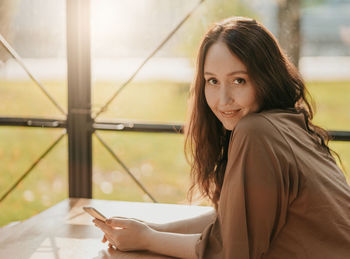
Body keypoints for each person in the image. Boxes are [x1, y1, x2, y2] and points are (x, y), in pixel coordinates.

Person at [93, 16, 350, 258]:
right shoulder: (289, 123)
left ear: (266, 79)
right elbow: (236, 219)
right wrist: (153, 229)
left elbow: (231, 250)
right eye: (212, 81)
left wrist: (147, 239)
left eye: (238, 81)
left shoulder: (257, 130)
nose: (223, 100)